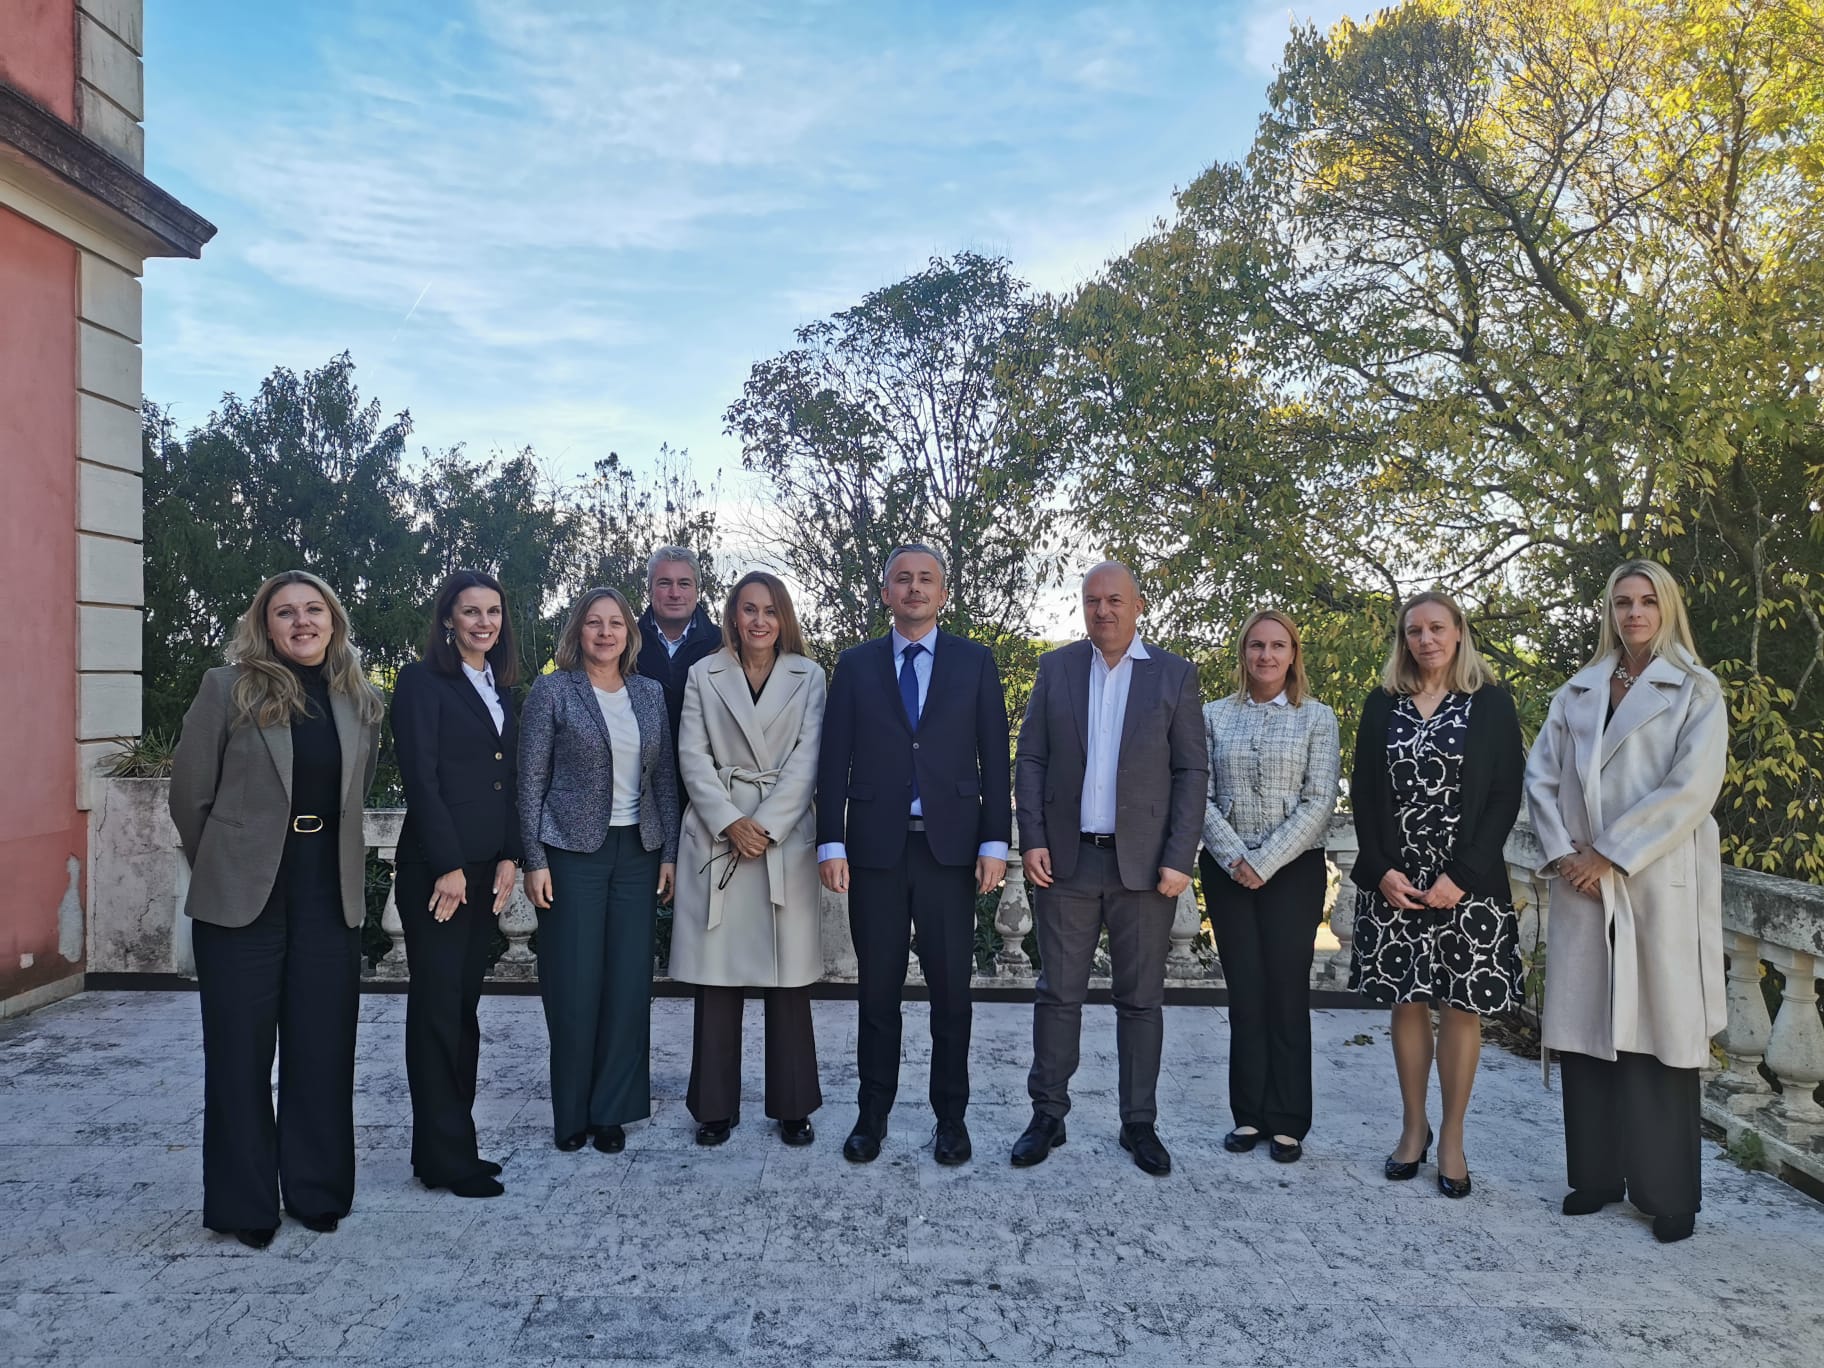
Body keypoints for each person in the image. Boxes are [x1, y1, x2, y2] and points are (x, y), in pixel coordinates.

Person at [168, 570, 383, 1248]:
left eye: (314, 609)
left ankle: (317, 1191)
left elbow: (356, 793)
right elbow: (189, 796)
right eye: (285, 612)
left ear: (333, 620)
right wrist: (227, 862)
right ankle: (245, 1205)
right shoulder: (226, 688)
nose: (301, 622)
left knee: (322, 1049)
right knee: (240, 1054)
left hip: (328, 893)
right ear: (265, 625)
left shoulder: (360, 699)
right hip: (242, 898)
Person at [1524, 560, 1727, 1244]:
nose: (1634, 613)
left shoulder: (1696, 690)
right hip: (1581, 883)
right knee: (1587, 1030)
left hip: (1654, 880)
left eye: (1646, 601)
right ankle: (1596, 1177)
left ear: (1666, 609)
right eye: (1621, 602)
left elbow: (1691, 788)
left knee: (1657, 1033)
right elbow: (1541, 777)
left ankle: (1667, 1195)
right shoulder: (1578, 690)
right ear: (1608, 612)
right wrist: (1565, 854)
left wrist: (1609, 853)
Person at [817, 543, 1011, 1166]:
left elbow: (995, 757)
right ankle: (871, 1114)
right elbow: (833, 759)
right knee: (877, 991)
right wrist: (830, 839)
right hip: (875, 849)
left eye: (926, 579)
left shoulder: (975, 662)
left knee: (952, 993)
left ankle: (951, 1119)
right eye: (902, 579)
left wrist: (995, 840)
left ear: (943, 593)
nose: (914, 588)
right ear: (885, 593)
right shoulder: (855, 665)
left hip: (950, 852)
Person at [1011, 561, 1206, 1176]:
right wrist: (1032, 838)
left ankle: (1138, 1123)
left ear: (1138, 605)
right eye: (1093, 600)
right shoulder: (1057, 668)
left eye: (1115, 600)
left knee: (1141, 1001)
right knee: (1057, 995)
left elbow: (1191, 771)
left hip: (1144, 870)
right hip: (1066, 862)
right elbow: (1031, 757)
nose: (1103, 610)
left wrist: (1179, 856)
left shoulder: (1173, 674)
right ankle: (1048, 1115)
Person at [1350, 590, 1524, 1199]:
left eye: (1436, 628)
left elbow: (1504, 795)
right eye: (1414, 631)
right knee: (1406, 1004)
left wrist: (1463, 875)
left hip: (1466, 882)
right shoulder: (1382, 703)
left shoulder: (1491, 702)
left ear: (1458, 633)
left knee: (1460, 1008)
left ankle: (1451, 1138)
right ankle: (1412, 1129)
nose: (1425, 640)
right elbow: (1363, 793)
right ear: (1403, 639)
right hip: (1398, 881)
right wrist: (1380, 871)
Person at [518, 587, 679, 1154]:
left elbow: (664, 779)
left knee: (629, 985)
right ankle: (572, 1113)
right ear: (577, 632)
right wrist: (534, 859)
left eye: (616, 623)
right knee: (573, 984)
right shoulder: (554, 690)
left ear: (630, 634)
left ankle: (612, 1110)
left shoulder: (649, 693)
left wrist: (669, 852)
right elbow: (530, 780)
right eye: (594, 622)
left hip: (637, 851)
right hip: (571, 852)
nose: (605, 633)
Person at [671, 572, 827, 1146]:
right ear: (732, 617)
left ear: (784, 618)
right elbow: (691, 757)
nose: (760, 620)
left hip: (781, 838)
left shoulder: (809, 675)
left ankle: (793, 1105)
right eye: (749, 610)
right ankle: (714, 1107)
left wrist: (766, 825)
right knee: (717, 979)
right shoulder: (702, 674)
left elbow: (808, 759)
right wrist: (730, 821)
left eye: (770, 610)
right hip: (720, 834)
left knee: (788, 981)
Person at [389, 570, 522, 1199]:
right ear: (448, 619)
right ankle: (446, 1158)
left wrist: (509, 855)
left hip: (485, 871)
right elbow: (421, 778)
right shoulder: (421, 683)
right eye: (471, 611)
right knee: (438, 1013)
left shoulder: (502, 689)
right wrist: (447, 865)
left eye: (492, 612)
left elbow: (509, 780)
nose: (483, 622)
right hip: (439, 873)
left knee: (462, 1011)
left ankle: (448, 1148)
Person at [1198, 609, 1339, 1164]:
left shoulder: (1317, 718)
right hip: (1228, 869)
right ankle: (1249, 1113)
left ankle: (1288, 1118)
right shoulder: (1213, 715)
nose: (1266, 655)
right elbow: (1199, 794)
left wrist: (1267, 861)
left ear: (1293, 653)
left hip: (1294, 871)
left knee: (1285, 991)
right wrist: (1237, 857)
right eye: (1256, 645)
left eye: (1278, 645)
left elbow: (1319, 799)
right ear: (1243, 652)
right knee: (1245, 991)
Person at [636, 546, 722, 754]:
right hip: (640, 768)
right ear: (649, 590)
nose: (675, 593)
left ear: (697, 590)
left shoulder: (723, 645)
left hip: (708, 767)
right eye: (664, 583)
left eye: (684, 584)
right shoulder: (625, 645)